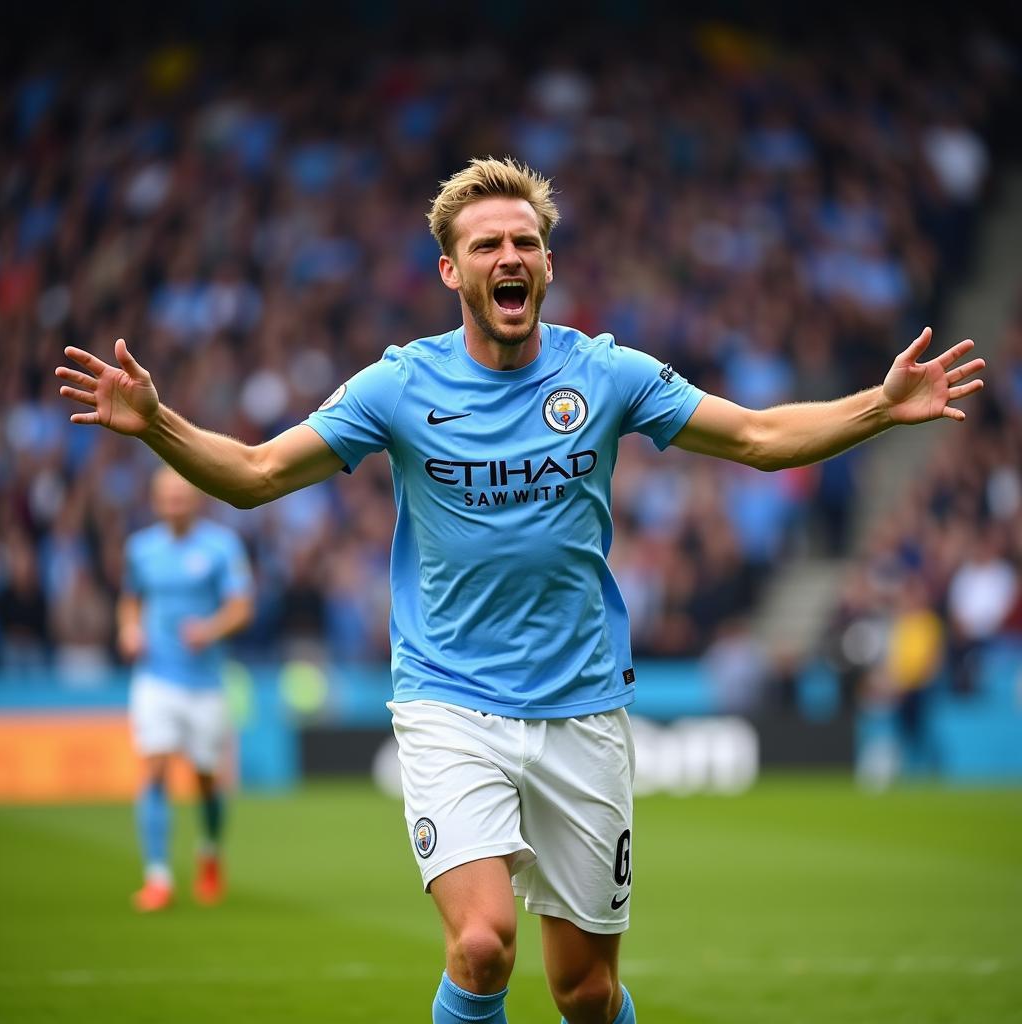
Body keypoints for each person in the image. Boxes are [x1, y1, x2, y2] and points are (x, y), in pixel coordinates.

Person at [57, 157, 984, 1021]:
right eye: (487, 245)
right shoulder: (399, 385)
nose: (510, 256)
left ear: (546, 264)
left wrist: (879, 407)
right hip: (449, 700)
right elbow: (257, 471)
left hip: (583, 707)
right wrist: (157, 424)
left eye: (525, 243)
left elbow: (754, 437)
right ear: (450, 273)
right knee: (482, 946)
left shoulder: (607, 372)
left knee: (584, 992)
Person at [118, 466, 254, 912]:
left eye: (182, 496)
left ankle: (209, 853)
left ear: (196, 500)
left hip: (206, 682)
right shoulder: (141, 549)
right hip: (156, 677)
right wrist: (130, 629)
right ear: (156, 502)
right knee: (153, 769)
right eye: (168, 497)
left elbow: (241, 607)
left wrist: (210, 630)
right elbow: (131, 599)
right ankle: (157, 876)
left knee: (205, 780)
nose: (175, 504)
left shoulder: (221, 546)